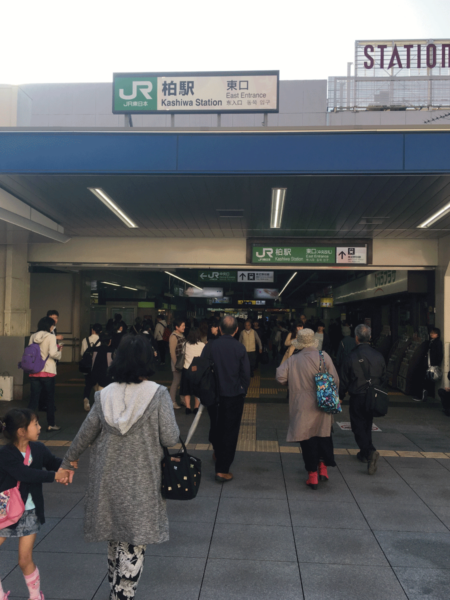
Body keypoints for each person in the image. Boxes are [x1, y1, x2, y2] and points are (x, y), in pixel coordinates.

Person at [60, 335, 180, 600]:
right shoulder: (158, 394)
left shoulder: (103, 395)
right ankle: (122, 595)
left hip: (108, 479)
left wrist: (69, 461)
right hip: (141, 480)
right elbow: (171, 437)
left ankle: (115, 591)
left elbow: (84, 434)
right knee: (134, 542)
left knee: (115, 540)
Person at [0, 408, 73, 600]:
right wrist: (54, 476)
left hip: (30, 512)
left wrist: (66, 467)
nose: (40, 427)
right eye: (35, 424)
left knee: (25, 559)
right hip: (6, 511)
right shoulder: (6, 453)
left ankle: (35, 595)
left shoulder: (38, 448)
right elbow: (25, 474)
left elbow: (52, 462)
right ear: (22, 431)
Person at [276, 329, 339, 490]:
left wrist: (294, 383)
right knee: (324, 435)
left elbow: (280, 377)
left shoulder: (294, 359)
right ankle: (323, 469)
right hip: (323, 402)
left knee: (307, 439)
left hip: (302, 405)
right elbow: (335, 380)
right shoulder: (324, 356)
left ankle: (312, 476)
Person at [201, 315, 251, 483]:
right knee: (230, 430)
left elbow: (202, 370)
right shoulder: (240, 348)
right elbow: (246, 374)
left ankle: (217, 450)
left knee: (215, 424)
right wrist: (243, 390)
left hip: (213, 395)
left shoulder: (209, 347)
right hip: (233, 396)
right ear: (237, 330)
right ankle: (222, 470)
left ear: (220, 329)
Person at [339, 324, 386, 475]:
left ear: (356, 338)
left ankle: (370, 451)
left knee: (358, 425)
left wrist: (340, 396)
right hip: (374, 395)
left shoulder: (351, 356)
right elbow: (384, 376)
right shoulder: (378, 355)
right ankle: (364, 454)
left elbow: (344, 379)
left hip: (358, 395)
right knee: (367, 424)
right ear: (370, 337)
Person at [28, 317, 62, 432]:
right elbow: (52, 353)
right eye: (52, 325)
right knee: (50, 399)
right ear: (49, 326)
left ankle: (28, 424)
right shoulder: (51, 336)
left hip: (34, 371)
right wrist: (59, 352)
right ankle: (51, 424)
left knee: (33, 399)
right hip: (48, 371)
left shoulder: (33, 336)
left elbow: (29, 352)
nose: (53, 327)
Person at [83, 333, 114, 410]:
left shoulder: (94, 350)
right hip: (105, 376)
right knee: (102, 391)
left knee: (89, 385)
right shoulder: (111, 351)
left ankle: (86, 398)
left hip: (92, 374)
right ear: (109, 341)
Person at [180, 328, 205, 415]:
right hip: (197, 371)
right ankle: (196, 408)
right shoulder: (202, 345)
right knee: (197, 390)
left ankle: (188, 407)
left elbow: (183, 353)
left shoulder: (185, 344)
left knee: (187, 390)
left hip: (187, 369)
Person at [416, 327, 443, 402]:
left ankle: (424, 395)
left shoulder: (437, 343)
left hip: (431, 365)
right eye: (431, 333)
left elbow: (439, 355)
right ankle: (424, 395)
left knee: (426, 380)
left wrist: (436, 364)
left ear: (437, 334)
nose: (431, 334)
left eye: (434, 333)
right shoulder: (430, 342)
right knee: (425, 379)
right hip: (428, 364)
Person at [81, 323, 103, 412]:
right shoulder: (101, 340)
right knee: (98, 384)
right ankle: (98, 402)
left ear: (92, 330)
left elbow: (82, 353)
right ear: (100, 331)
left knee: (88, 384)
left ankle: (86, 398)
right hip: (98, 365)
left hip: (87, 365)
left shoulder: (85, 340)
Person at [169, 318, 186, 410]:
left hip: (181, 363)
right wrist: (176, 365)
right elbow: (172, 352)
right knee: (176, 382)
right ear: (177, 327)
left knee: (181, 381)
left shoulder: (181, 335)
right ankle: (172, 401)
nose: (184, 327)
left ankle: (182, 399)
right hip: (177, 364)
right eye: (182, 325)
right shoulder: (173, 337)